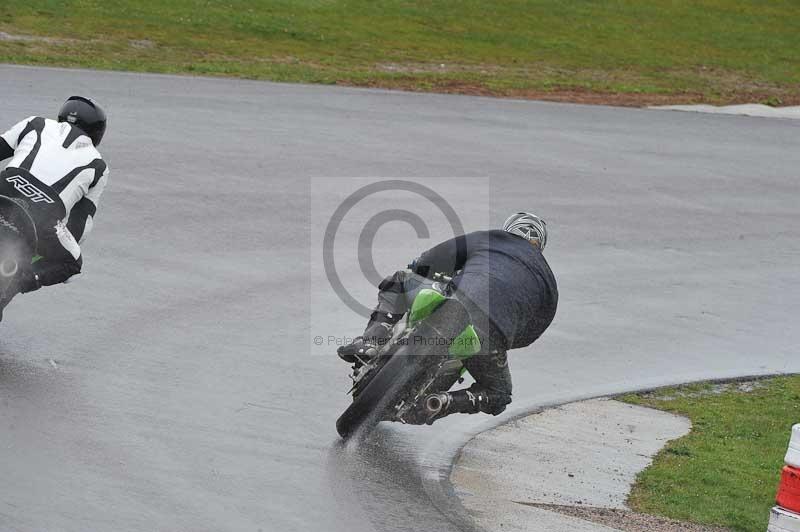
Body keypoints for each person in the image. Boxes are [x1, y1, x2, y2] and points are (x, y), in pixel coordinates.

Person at [338, 212, 558, 424]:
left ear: (509, 229)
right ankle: (443, 402)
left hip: (457, 297)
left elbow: (432, 259)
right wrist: (503, 336)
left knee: (399, 280)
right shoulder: (548, 281)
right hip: (493, 332)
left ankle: (371, 341)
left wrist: (418, 269)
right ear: (541, 245)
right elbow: (533, 332)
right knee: (499, 394)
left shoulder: (492, 238)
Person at [0, 96, 108, 302]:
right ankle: (19, 278)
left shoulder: (35, 123)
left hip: (2, 190)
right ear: (98, 132)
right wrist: (47, 258)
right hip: (40, 220)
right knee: (73, 263)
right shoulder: (99, 166)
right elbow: (81, 227)